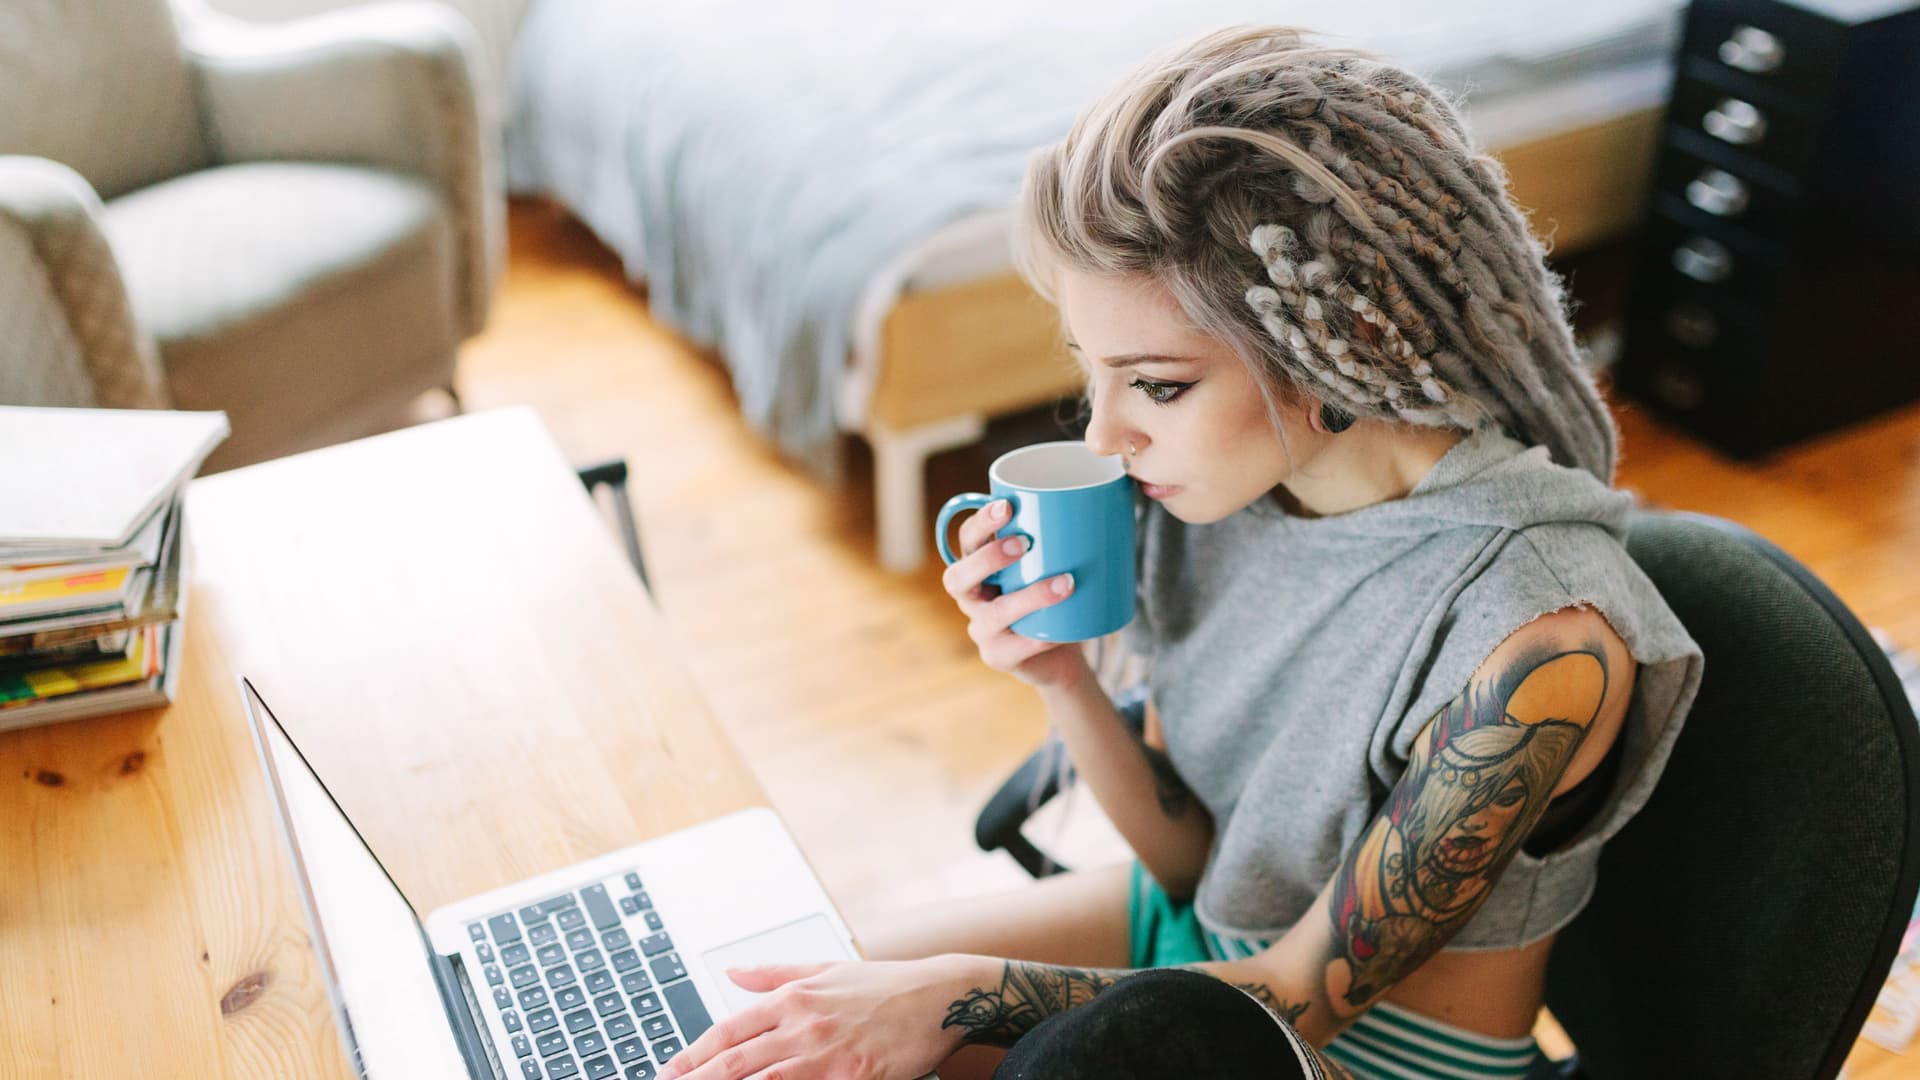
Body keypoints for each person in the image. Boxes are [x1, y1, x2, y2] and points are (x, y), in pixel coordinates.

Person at [662, 26, 1704, 1080]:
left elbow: (1303, 998)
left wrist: (959, 1000)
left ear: (1346, 354)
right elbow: (1195, 860)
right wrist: (1060, 676)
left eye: (1158, 386)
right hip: (1195, 955)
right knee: (774, 1020)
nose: (1102, 437)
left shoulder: (1541, 645)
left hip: (1339, 1050)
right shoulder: (1224, 501)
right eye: (1094, 373)